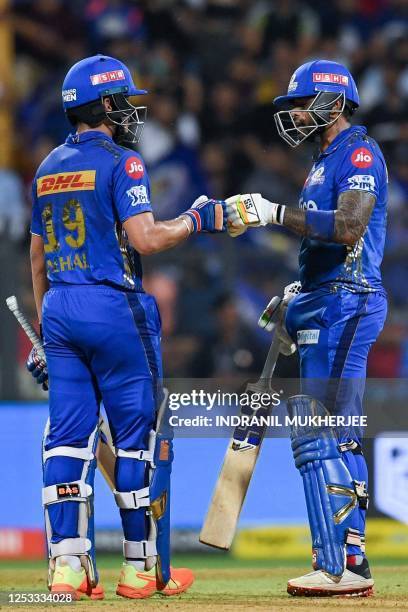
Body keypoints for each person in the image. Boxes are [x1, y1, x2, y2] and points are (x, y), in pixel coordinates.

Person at [27, 54, 225, 600]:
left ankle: (67, 569)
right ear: (107, 104)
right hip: (116, 309)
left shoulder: (46, 168)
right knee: (135, 442)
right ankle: (139, 569)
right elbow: (145, 239)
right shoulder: (125, 162)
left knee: (66, 441)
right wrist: (196, 218)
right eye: (125, 100)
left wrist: (48, 331)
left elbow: (38, 258)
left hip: (62, 309)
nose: (131, 109)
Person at [226, 59, 388, 597]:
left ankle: (344, 566)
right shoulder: (322, 162)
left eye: (302, 103)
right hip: (326, 299)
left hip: (349, 302)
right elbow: (321, 246)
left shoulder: (358, 153)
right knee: (326, 434)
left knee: (326, 432)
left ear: (334, 102)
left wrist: (272, 212)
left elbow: (349, 228)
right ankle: (340, 558)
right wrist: (300, 293)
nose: (293, 114)